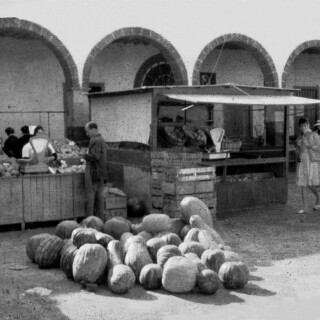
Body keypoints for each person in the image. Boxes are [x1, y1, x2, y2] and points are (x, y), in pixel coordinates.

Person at [296, 117, 320, 215]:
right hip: (303, 161)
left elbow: (318, 148)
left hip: (311, 161)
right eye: (301, 126)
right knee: (302, 184)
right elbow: (299, 149)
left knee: (309, 184)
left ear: (308, 125)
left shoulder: (313, 134)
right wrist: (299, 146)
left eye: (304, 125)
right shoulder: (300, 136)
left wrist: (309, 145)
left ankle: (318, 198)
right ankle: (305, 207)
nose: (303, 128)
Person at [83, 121, 108, 218]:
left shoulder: (96, 140)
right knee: (99, 197)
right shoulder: (101, 139)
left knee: (90, 197)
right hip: (101, 172)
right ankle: (100, 220)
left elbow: (95, 156)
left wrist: (84, 155)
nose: (87, 134)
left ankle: (89, 219)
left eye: (87, 131)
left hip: (93, 171)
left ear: (93, 129)